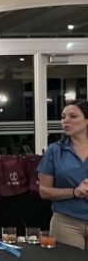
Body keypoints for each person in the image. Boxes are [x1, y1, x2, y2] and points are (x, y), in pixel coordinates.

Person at [37, 100, 88, 249]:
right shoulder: (55, 150)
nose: (66, 121)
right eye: (63, 117)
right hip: (66, 222)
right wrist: (75, 192)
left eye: (72, 116)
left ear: (86, 121)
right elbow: (44, 191)